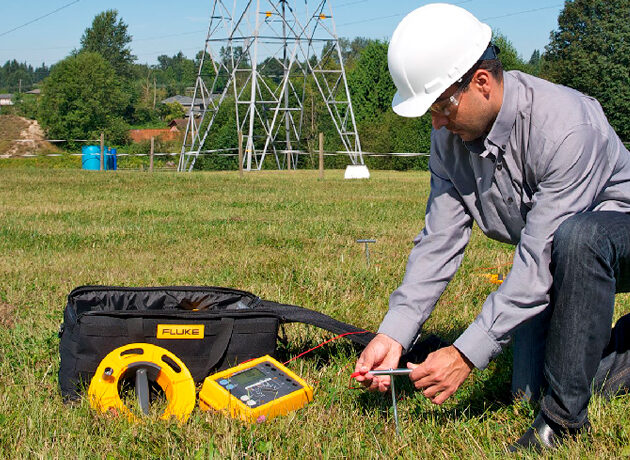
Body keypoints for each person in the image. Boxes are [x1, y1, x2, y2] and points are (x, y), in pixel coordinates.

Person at [353, 3, 630, 451]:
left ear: (481, 82)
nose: (436, 122)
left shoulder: (565, 127)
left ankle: (563, 423)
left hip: (615, 237)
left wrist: (465, 354)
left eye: (442, 105)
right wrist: (395, 332)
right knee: (526, 392)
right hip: (560, 253)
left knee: (581, 238)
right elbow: (439, 241)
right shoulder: (448, 138)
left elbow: (540, 260)